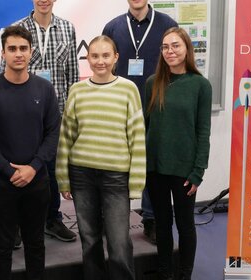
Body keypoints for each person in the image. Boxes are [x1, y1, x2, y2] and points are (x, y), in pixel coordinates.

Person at [56, 35, 146, 280]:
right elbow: (66, 137)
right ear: (87, 58)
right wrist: (63, 179)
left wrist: (136, 183)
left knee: (118, 244)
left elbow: (137, 138)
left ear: (116, 57)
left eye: (106, 55)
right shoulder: (77, 90)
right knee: (90, 240)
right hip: (82, 175)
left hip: (116, 177)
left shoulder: (128, 89)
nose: (100, 61)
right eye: (94, 55)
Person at [0, 25, 60, 280]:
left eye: (23, 48)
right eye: (12, 49)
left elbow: (53, 134)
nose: (18, 54)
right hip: (1, 183)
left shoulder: (45, 90)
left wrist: (33, 167)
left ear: (31, 52)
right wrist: (10, 171)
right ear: (3, 53)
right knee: (2, 248)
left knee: (36, 245)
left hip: (37, 181)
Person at [102, 0, 178, 244]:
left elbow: (175, 66)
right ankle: (115, 219)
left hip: (157, 104)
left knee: (152, 165)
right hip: (120, 106)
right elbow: (104, 67)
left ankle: (151, 219)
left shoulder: (167, 25)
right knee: (118, 163)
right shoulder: (112, 28)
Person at [9, 0, 79, 243]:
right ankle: (18, 223)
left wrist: (70, 113)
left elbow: (72, 74)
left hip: (56, 113)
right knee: (23, 167)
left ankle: (52, 219)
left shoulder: (67, 28)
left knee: (51, 170)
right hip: (27, 115)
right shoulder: (18, 28)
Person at [145, 27, 212, 280]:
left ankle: (184, 275)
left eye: (175, 46)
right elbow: (146, 126)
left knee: (185, 226)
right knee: (162, 225)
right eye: (165, 47)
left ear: (187, 49)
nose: (170, 51)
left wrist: (198, 172)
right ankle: (164, 273)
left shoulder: (200, 85)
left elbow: (203, 132)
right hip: (155, 169)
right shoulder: (153, 83)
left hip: (184, 171)